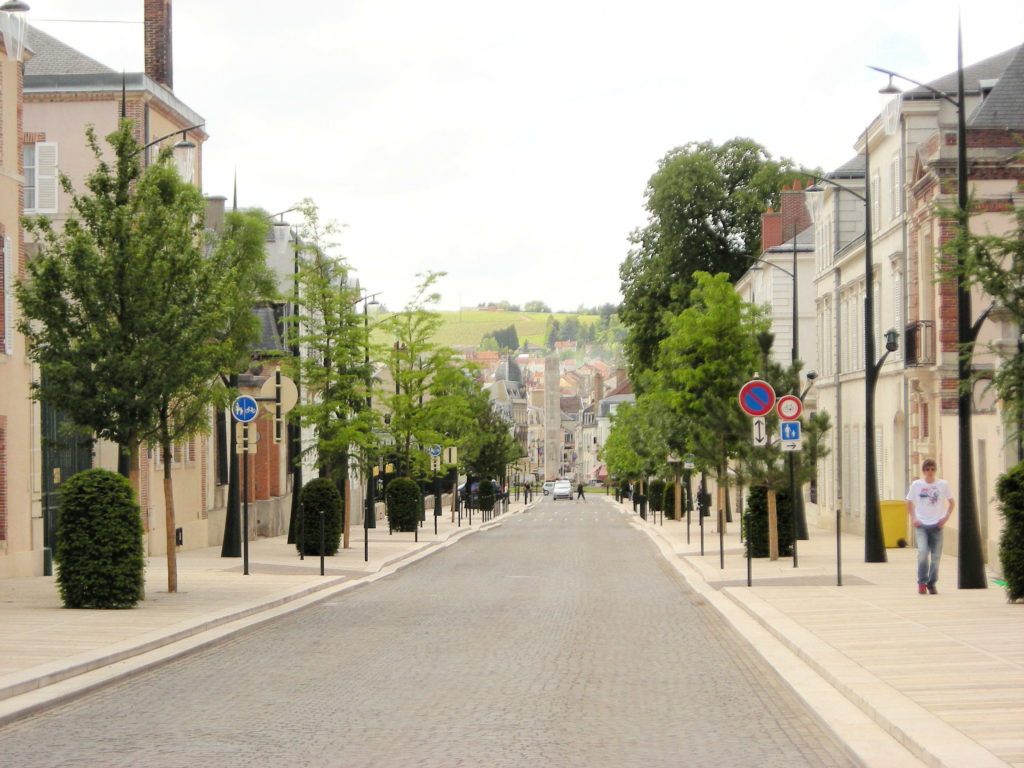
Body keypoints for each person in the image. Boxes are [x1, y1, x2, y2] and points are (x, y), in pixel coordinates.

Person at [905, 458, 955, 595]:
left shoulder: (943, 484)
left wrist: (946, 518)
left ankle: (931, 583)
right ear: (923, 471)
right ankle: (921, 582)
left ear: (935, 470)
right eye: (927, 470)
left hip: (937, 525)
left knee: (936, 557)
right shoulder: (916, 485)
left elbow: (951, 502)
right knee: (922, 552)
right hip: (921, 524)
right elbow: (908, 502)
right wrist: (914, 518)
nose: (930, 472)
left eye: (932, 469)